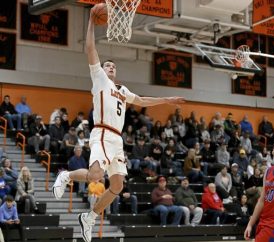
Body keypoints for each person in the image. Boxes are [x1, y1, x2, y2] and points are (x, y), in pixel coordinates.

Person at [52, 5, 184, 242]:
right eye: (108, 65)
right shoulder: (99, 79)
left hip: (117, 139)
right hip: (102, 132)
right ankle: (67, 176)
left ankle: (90, 217)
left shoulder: (122, 90)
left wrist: (167, 99)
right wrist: (92, 22)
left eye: (113, 66)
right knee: (94, 176)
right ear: (102, 70)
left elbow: (142, 99)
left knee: (117, 185)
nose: (111, 67)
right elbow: (90, 48)